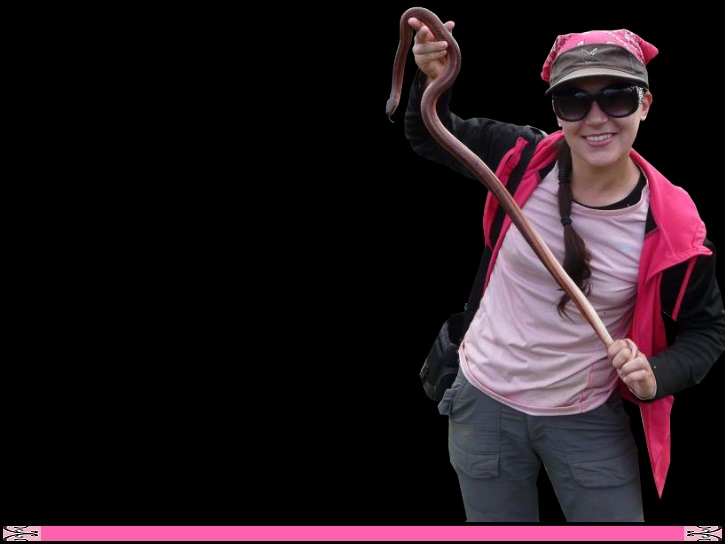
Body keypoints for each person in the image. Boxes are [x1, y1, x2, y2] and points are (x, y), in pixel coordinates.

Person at [402, 17, 725, 522]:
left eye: (617, 98)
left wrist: (655, 376)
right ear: (556, 111)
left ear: (645, 104)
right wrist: (431, 78)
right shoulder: (519, 159)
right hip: (482, 403)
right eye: (574, 101)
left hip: (586, 415)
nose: (596, 118)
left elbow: (706, 332)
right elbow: (430, 135)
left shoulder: (673, 225)